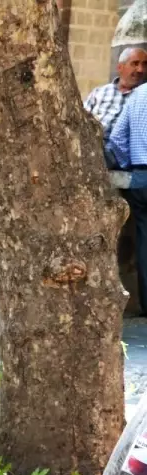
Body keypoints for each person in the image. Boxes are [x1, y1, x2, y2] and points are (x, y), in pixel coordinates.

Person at [108, 81, 147, 314]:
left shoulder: (138, 95)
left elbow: (117, 138)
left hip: (140, 177)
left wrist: (127, 165)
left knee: (145, 240)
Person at [85, 47, 147, 142]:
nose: (140, 70)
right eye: (135, 63)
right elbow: (80, 121)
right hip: (90, 145)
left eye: (145, 65)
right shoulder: (99, 92)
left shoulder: (143, 98)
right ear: (120, 67)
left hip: (119, 153)